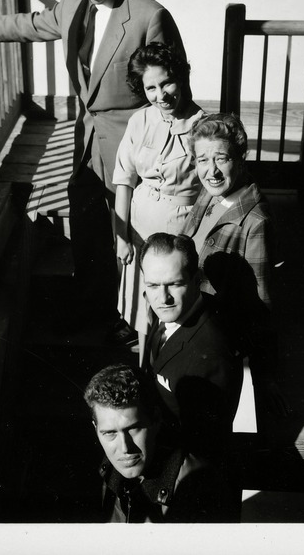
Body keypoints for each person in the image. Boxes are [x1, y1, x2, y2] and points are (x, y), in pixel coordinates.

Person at [0, 0, 185, 342]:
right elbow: (32, 24)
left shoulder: (149, 15)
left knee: (132, 234)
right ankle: (95, 311)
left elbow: (172, 89)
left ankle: (144, 325)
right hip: (86, 139)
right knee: (88, 225)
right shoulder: (74, 1)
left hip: (134, 146)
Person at [181, 112, 290, 423]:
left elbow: (261, 306)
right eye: (202, 159)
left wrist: (265, 377)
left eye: (221, 158)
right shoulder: (211, 194)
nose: (210, 170)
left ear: (241, 158)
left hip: (214, 341)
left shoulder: (256, 223)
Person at [112, 43, 204, 348]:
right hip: (139, 225)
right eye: (150, 87)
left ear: (182, 77)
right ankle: (142, 352)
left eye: (166, 83)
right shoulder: (140, 120)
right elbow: (124, 179)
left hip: (180, 228)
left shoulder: (202, 126)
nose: (160, 95)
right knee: (142, 301)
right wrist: (121, 234)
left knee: (171, 297)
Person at [139, 233, 244, 461]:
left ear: (197, 280)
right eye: (153, 285)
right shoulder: (175, 308)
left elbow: (204, 446)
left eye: (174, 284)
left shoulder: (210, 354)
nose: (162, 298)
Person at [84, 363, 230, 522]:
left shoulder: (197, 486)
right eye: (110, 433)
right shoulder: (109, 471)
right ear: (96, 428)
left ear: (156, 420)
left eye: (134, 429)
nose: (125, 448)